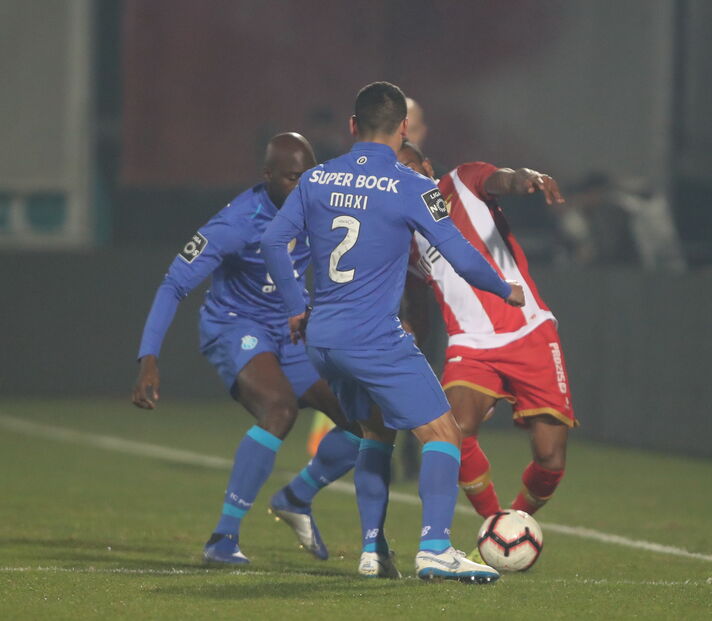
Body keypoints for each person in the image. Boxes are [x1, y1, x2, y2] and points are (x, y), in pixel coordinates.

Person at [261, 82, 524, 583]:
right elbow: (461, 253)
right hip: (374, 337)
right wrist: (502, 286)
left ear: (353, 126)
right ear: (403, 128)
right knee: (443, 433)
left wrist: (298, 307)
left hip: (324, 339)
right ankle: (436, 547)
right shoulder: (410, 185)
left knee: (375, 433)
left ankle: (371, 550)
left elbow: (274, 241)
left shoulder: (316, 179)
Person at [132, 133, 362, 565]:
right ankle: (223, 538)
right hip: (236, 326)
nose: (304, 185)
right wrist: (149, 357)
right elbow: (174, 284)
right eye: (294, 178)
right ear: (268, 176)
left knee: (364, 422)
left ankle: (297, 497)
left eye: (310, 175)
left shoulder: (320, 207)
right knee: (279, 409)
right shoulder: (237, 221)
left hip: (290, 327)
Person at [398, 140, 577, 532]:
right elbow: (416, 303)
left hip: (529, 331)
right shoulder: (405, 236)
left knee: (550, 458)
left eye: (410, 165)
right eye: (396, 171)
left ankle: (517, 520)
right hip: (471, 345)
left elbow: (504, 180)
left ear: (427, 165)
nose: (405, 175)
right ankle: (496, 525)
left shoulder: (461, 180)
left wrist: (527, 178)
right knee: (450, 432)